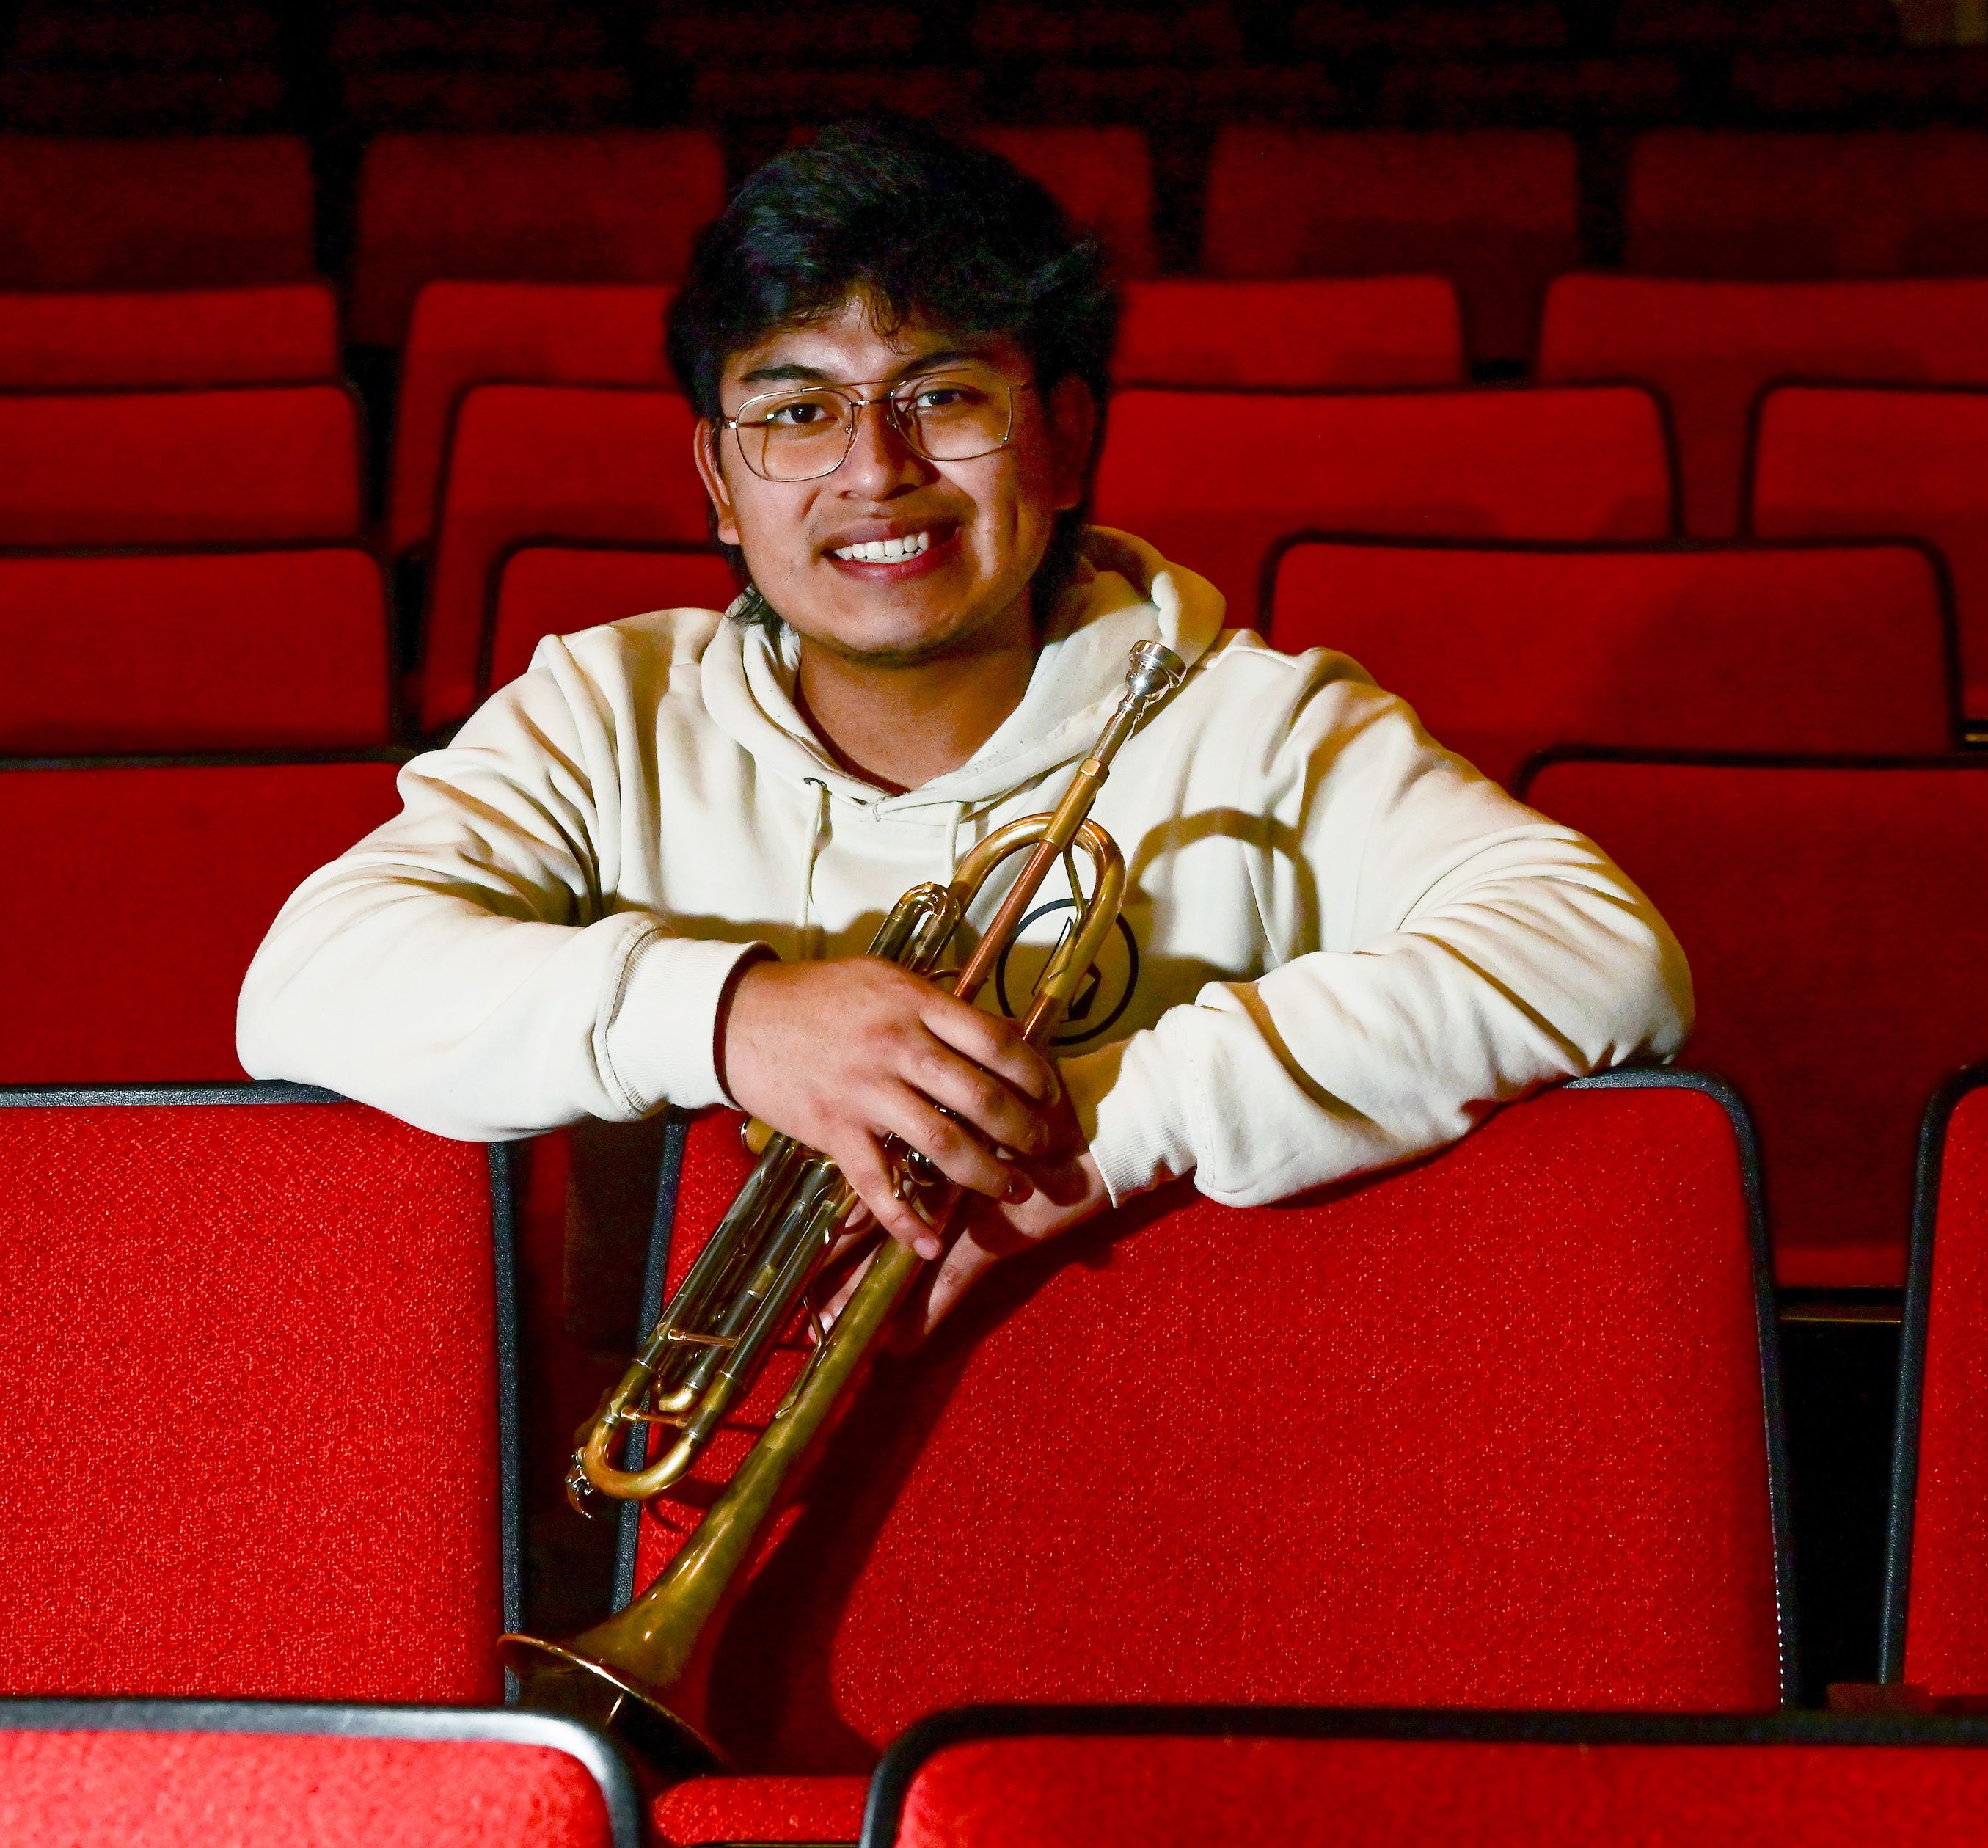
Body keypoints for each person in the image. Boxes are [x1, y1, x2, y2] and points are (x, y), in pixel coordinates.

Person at [239, 120, 1691, 1333]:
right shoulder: (602, 710)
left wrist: (1103, 1123)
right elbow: (304, 984)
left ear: (1064, 437)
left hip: (1174, 1442)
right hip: (690, 1513)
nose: (876, 472)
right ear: (719, 485)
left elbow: (1603, 949)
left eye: (942, 397)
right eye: (795, 415)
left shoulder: (1258, 725)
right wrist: (735, 1018)